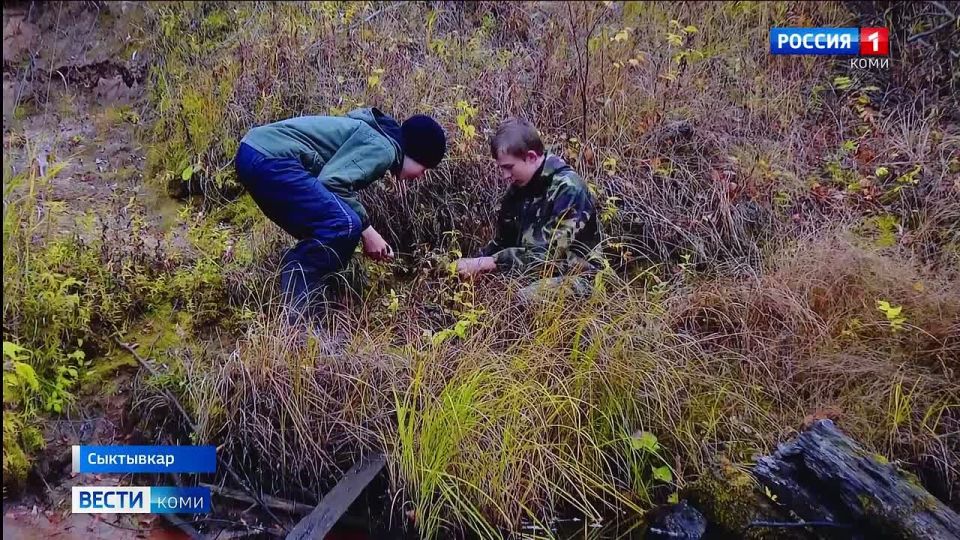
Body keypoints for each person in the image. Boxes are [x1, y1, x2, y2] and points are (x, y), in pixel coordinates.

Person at [235, 107, 446, 317]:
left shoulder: (375, 137)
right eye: (425, 168)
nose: (421, 176)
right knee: (344, 225)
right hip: (270, 159)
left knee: (330, 229)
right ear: (415, 153)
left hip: (256, 153)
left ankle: (314, 301)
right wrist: (369, 231)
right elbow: (332, 182)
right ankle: (301, 320)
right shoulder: (384, 149)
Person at [454, 117, 603, 290]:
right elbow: (504, 242)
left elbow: (549, 257)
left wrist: (489, 262)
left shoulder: (569, 189)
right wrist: (471, 262)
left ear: (531, 157)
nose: (505, 176)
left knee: (527, 297)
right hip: (532, 271)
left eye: (509, 167)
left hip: (580, 275)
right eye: (501, 168)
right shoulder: (518, 188)